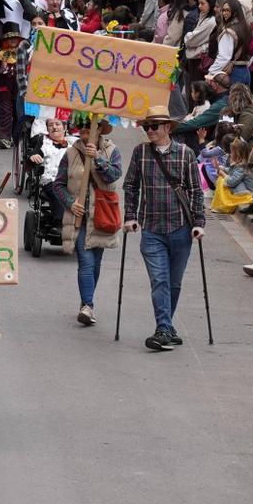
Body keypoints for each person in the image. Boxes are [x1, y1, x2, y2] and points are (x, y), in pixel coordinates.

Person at [123, 106, 205, 350]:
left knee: (174, 282)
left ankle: (167, 326)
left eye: (154, 126)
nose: (149, 130)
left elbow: (195, 190)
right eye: (146, 126)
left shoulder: (185, 154)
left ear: (167, 127)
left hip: (181, 227)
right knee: (159, 280)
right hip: (151, 227)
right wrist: (130, 216)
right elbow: (130, 186)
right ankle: (163, 328)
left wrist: (199, 223)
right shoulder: (140, 153)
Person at [52, 119, 122, 326]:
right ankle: (88, 305)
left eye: (89, 125)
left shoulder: (112, 150)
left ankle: (86, 303)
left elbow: (114, 176)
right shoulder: (71, 153)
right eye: (81, 125)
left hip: (101, 214)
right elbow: (58, 185)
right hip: (79, 217)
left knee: (96, 263)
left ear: (99, 129)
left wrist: (98, 159)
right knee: (86, 261)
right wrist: (70, 203)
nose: (84, 129)